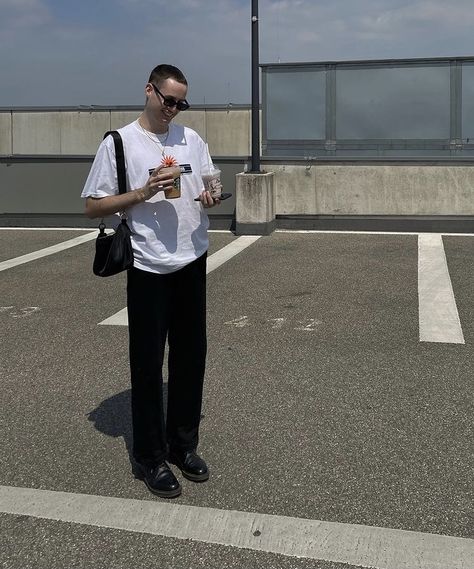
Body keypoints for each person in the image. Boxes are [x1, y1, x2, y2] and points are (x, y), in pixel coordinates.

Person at [82, 64, 222, 498]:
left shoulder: (191, 139)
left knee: (190, 356)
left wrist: (210, 195)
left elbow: (209, 185)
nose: (174, 110)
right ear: (149, 91)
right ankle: (149, 457)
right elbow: (93, 206)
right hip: (147, 265)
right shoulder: (120, 143)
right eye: (169, 100)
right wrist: (143, 192)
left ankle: (183, 446)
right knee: (147, 365)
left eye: (182, 103)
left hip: (192, 258)